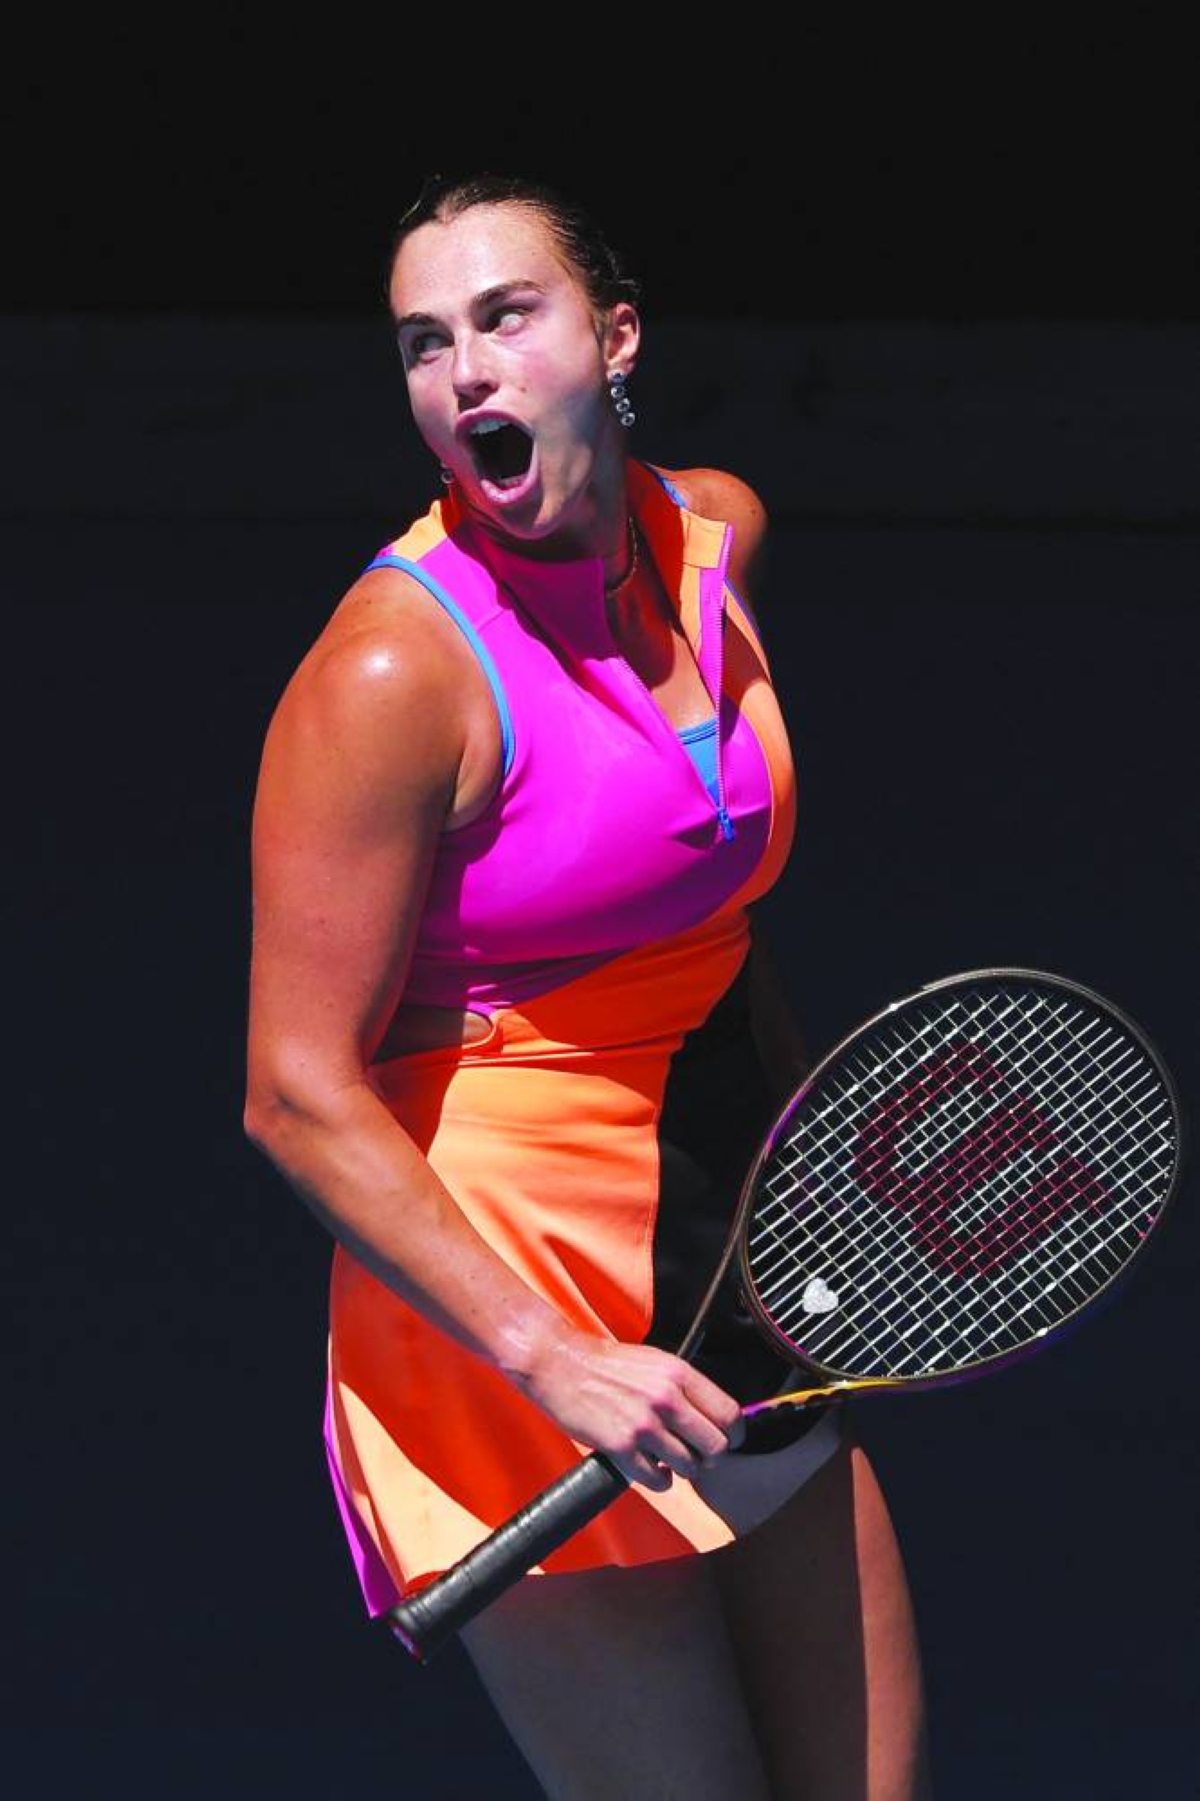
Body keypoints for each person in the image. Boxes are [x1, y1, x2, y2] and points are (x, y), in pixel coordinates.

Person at [244, 172, 932, 1798]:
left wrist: (815, 1157)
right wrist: (554, 1355)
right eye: (425, 342)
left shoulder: (716, 538)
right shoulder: (393, 673)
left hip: (729, 1259)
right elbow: (292, 1089)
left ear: (614, 340)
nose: (463, 371)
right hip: (511, 1328)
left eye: (505, 316)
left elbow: (704, 919)